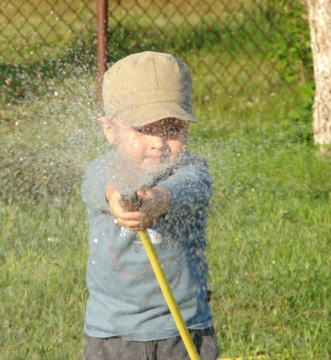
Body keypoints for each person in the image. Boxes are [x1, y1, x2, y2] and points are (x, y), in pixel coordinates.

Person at [81, 51, 219, 360]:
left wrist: (157, 201)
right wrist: (115, 197)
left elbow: (187, 190)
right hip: (113, 333)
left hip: (183, 330)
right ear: (110, 129)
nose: (159, 141)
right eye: (144, 129)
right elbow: (96, 188)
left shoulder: (192, 170)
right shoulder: (103, 170)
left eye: (173, 129)